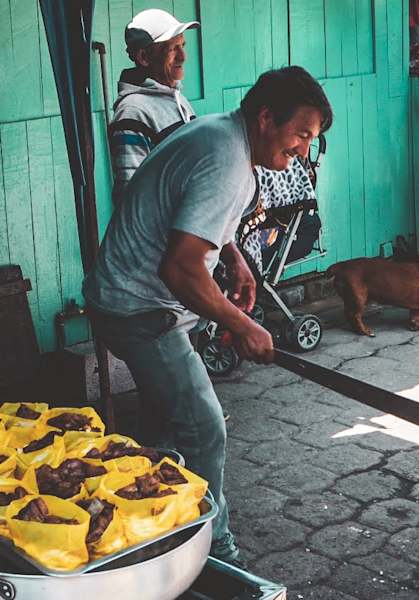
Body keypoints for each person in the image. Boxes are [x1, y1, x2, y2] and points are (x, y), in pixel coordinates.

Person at [83, 67, 333, 563]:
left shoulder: (222, 133)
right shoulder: (226, 158)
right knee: (203, 426)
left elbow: (196, 217)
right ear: (266, 118)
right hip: (139, 307)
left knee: (168, 426)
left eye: (312, 139)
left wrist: (235, 256)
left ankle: (149, 526)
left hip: (125, 293)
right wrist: (245, 326)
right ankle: (211, 549)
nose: (304, 150)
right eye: (301, 135)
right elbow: (180, 268)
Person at [109, 9, 199, 206]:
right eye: (172, 48)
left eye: (182, 46)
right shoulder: (132, 113)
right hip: (166, 236)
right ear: (144, 57)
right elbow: (132, 200)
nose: (183, 56)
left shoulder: (179, 100)